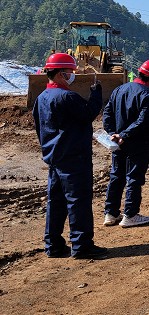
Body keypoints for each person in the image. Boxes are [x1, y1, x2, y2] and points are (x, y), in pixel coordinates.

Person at [32, 53, 107, 259]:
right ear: (61, 73)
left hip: (54, 157)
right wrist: (96, 94)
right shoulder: (67, 97)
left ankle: (53, 245)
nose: (72, 75)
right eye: (70, 72)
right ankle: (82, 245)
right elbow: (88, 114)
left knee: (55, 201)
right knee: (78, 201)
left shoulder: (42, 98)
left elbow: (40, 127)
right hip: (74, 158)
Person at [103, 60, 149, 228]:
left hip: (118, 143)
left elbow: (107, 113)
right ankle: (130, 214)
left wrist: (112, 133)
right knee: (134, 178)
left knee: (116, 176)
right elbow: (142, 121)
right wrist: (124, 135)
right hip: (137, 142)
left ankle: (111, 213)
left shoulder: (119, 89)